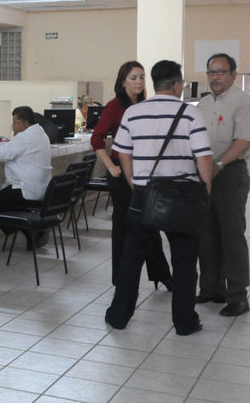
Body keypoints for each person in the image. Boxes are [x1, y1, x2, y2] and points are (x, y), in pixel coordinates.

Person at [105, 60, 213, 336]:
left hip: (144, 194)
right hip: (183, 196)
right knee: (185, 262)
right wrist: (206, 188)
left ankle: (119, 316)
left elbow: (123, 152)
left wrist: (134, 182)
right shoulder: (191, 113)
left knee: (131, 259)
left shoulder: (134, 113)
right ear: (177, 84)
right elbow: (203, 158)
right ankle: (185, 322)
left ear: (154, 83)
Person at [91, 61, 172, 290]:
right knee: (123, 227)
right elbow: (97, 139)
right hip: (120, 171)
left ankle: (162, 274)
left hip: (143, 171)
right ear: (123, 81)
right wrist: (111, 167)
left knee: (150, 223)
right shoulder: (115, 106)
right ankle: (120, 279)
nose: (139, 82)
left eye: (142, 77)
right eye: (134, 77)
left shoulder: (145, 105)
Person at [196, 53, 250, 317]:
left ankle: (237, 296)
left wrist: (218, 164)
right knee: (206, 233)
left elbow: (243, 140)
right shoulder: (202, 104)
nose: (215, 77)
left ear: (233, 74)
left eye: (221, 72)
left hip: (230, 173)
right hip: (204, 173)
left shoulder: (244, 102)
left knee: (231, 234)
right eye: (211, 72)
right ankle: (211, 288)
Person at [0, 106, 52, 250]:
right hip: (41, 189)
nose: (13, 126)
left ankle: (32, 231)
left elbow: (1, 155)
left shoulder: (24, 137)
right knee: (9, 205)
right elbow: (15, 149)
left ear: (24, 124)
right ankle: (32, 231)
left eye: (15, 123)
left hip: (25, 189)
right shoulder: (40, 133)